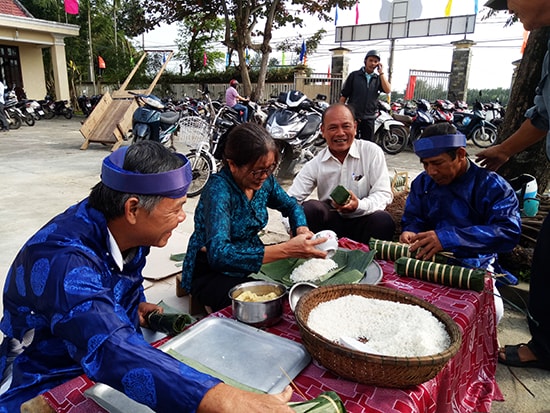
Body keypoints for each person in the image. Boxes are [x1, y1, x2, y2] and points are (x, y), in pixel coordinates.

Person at [0, 141, 294, 412]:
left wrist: (135, 303)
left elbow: (124, 281)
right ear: (132, 209)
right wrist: (225, 399)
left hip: (106, 342)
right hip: (48, 368)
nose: (183, 218)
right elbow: (110, 348)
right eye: (177, 209)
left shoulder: (126, 229)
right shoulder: (63, 261)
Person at [181, 123, 326, 312]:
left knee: (299, 291)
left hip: (250, 261)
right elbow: (220, 255)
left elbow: (291, 205)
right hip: (211, 271)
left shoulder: (265, 182)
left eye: (271, 168)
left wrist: (301, 228)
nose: (264, 176)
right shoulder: (219, 191)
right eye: (257, 171)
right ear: (232, 165)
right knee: (261, 306)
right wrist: (286, 250)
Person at [476, 0, 550, 370]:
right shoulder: (426, 187)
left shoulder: (493, 190)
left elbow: (503, 234)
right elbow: (543, 117)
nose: (510, 7)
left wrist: (448, 239)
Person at [399, 122, 521, 323]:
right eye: (425, 164)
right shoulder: (423, 183)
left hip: (475, 263)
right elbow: (413, 217)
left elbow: (508, 232)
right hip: (429, 259)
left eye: (437, 163)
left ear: (461, 154)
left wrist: (448, 238)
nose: (431, 171)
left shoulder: (491, 185)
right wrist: (410, 230)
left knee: (492, 312)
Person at [287, 103, 395, 245]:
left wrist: (359, 206)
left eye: (346, 126)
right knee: (309, 209)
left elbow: (383, 193)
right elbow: (289, 201)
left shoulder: (371, 152)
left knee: (383, 221)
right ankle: (315, 255)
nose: (340, 133)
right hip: (329, 228)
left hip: (363, 219)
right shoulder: (315, 163)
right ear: (323, 131)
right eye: (333, 128)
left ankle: (367, 259)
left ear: (355, 127)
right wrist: (297, 227)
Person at [339, 49, 391, 141]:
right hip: (353, 116)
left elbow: (387, 90)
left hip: (369, 117)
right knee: (350, 142)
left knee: (367, 145)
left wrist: (381, 73)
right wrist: (340, 113)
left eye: (376, 61)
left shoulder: (378, 79)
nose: (373, 63)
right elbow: (344, 95)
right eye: (370, 60)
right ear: (365, 61)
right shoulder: (354, 76)